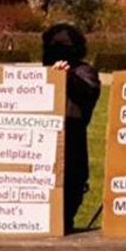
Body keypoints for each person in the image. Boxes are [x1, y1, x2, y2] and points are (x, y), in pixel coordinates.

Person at [42, 23, 101, 231]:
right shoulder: (41, 73)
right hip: (39, 157)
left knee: (64, 220)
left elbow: (87, 91)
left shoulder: (85, 72)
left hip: (71, 158)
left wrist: (66, 78)